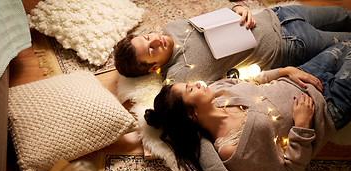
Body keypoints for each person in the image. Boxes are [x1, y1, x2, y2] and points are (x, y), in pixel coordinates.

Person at [144, 39, 351, 171]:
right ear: (191, 114)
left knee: (345, 42)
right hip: (329, 106)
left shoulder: (218, 90)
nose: (198, 83)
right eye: (190, 89)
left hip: (302, 76)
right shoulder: (230, 150)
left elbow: (256, 80)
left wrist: (285, 71)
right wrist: (302, 126)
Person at [114, 4, 351, 83]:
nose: (156, 39)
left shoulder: (170, 28)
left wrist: (237, 9)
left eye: (147, 37)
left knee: (343, 14)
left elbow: (216, 18)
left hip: (279, 14)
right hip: (289, 44)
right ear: (153, 67)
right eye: (151, 49)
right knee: (348, 45)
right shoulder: (180, 77)